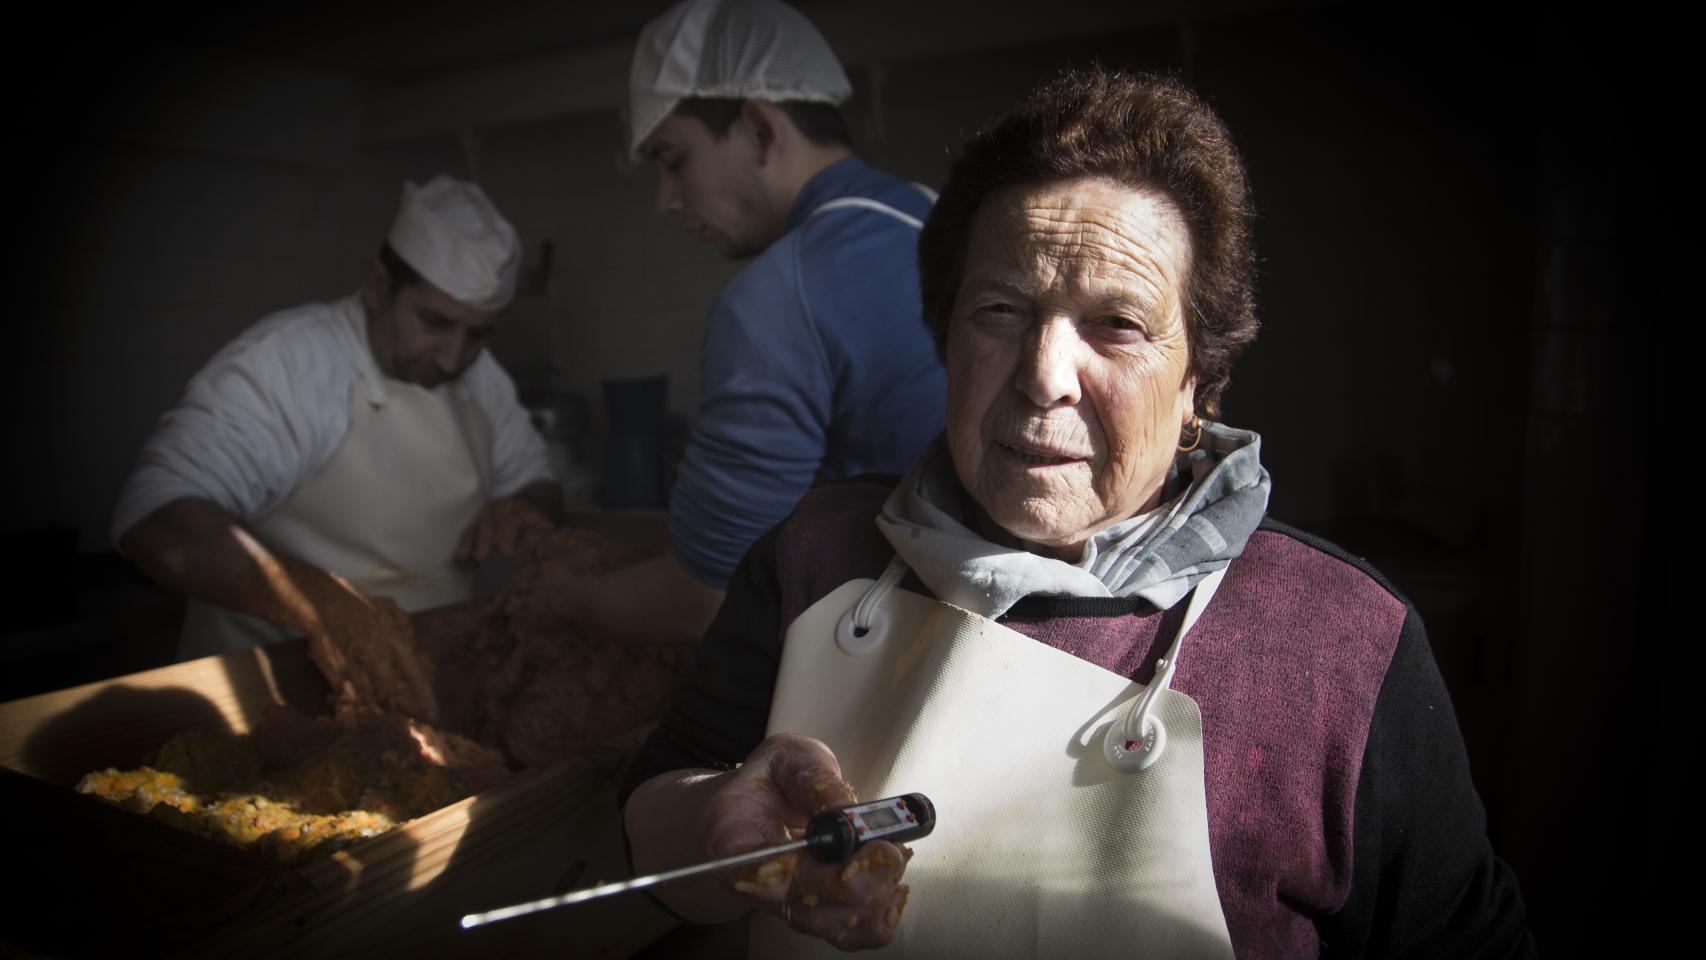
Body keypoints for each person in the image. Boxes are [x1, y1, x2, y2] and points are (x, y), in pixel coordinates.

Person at [619, 68, 1534, 957]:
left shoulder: (1339, 641)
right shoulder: (812, 556)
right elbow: (651, 818)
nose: (1043, 376)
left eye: (1119, 324)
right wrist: (710, 822)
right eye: (1001, 309)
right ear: (944, 338)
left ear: (1198, 386)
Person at [504, 0, 946, 645]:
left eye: (672, 159)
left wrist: (566, 601)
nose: (665, 200)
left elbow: (706, 601)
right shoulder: (941, 217)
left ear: (760, 129)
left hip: (876, 663)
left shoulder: (779, 293)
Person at [114, 175, 559, 712]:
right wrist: (320, 602)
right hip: (270, 705)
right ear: (376, 284)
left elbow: (537, 480)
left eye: (479, 332)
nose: (452, 357)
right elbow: (156, 515)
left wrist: (522, 509)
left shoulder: (479, 377)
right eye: (434, 321)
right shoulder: (289, 363)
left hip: (428, 691)